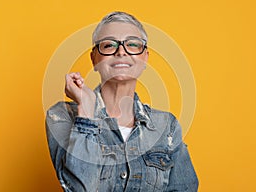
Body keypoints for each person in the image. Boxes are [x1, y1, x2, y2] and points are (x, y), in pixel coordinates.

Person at [46, 11, 198, 192]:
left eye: (132, 44)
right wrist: (86, 112)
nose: (121, 51)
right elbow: (80, 188)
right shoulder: (62, 116)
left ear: (145, 59)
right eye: (109, 45)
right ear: (94, 58)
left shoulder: (166, 126)